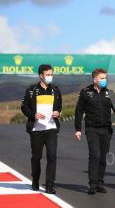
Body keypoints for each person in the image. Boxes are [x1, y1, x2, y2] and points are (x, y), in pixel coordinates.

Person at [74, 68, 115, 195]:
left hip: (106, 130)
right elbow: (79, 111)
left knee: (103, 157)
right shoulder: (85, 92)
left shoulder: (110, 93)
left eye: (106, 78)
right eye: (102, 78)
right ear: (95, 79)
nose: (105, 80)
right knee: (95, 155)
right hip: (92, 129)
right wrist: (78, 129)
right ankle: (92, 184)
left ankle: (100, 183)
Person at [21, 64, 62, 194]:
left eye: (51, 74)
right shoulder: (31, 90)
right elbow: (24, 107)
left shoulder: (56, 90)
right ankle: (35, 180)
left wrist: (57, 112)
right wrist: (33, 114)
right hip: (36, 130)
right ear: (41, 76)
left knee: (52, 156)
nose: (51, 76)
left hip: (51, 128)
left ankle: (49, 185)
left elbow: (59, 106)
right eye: (48, 74)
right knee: (36, 157)